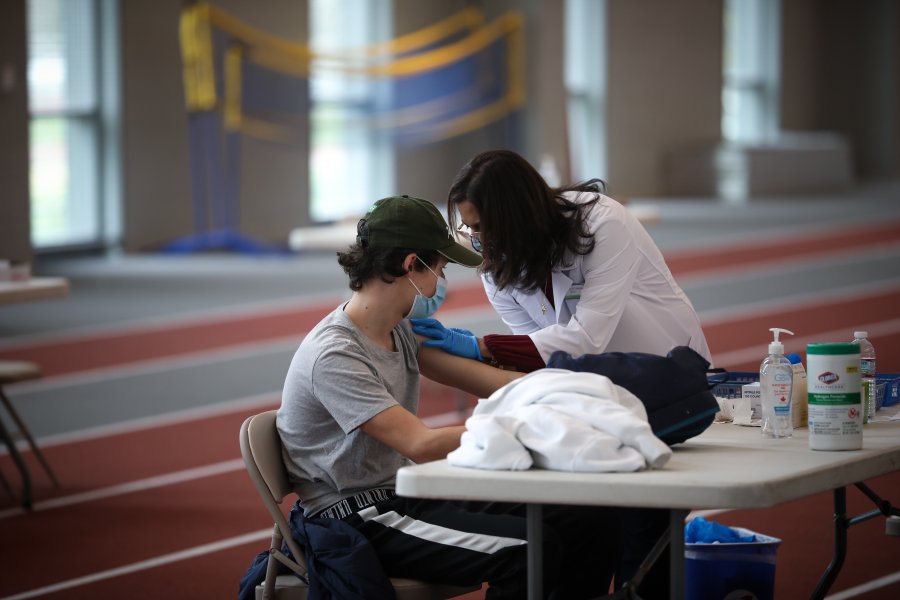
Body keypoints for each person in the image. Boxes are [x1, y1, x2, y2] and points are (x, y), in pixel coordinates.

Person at [276, 195, 621, 599]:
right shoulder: (335, 354)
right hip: (358, 515)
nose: (441, 279)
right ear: (411, 265)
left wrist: (567, 397)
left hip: (407, 493)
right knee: (528, 549)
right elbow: (419, 444)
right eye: (440, 266)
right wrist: (524, 426)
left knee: (586, 512)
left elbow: (489, 382)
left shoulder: (399, 328)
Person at [412, 149, 712, 598]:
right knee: (586, 533)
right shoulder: (498, 267)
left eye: (481, 227)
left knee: (644, 542)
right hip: (591, 402)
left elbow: (585, 338)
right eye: (470, 228)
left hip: (659, 383)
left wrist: (480, 346)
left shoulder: (605, 224)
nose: (477, 240)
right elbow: (545, 364)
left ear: (515, 214)